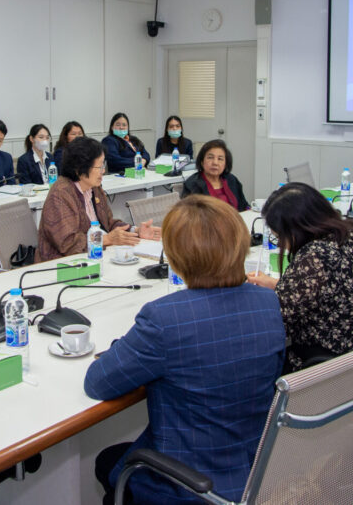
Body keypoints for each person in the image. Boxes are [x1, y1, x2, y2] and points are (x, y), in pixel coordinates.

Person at [86, 195, 285, 505]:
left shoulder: (165, 318)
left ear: (176, 258)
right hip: (256, 470)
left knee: (108, 462)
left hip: (190, 485)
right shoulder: (268, 301)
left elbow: (98, 383)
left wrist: (126, 347)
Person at [248, 183, 353, 372]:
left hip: (329, 369)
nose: (282, 245)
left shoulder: (315, 256)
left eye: (281, 237)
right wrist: (278, 285)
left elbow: (277, 320)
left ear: (297, 229)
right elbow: (334, 291)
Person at [37, 137, 160, 261]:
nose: (103, 171)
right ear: (80, 169)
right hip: (61, 264)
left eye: (103, 165)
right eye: (99, 167)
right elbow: (68, 244)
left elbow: (108, 223)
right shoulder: (60, 194)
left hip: (94, 257)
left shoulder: (94, 188)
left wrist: (136, 231)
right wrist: (107, 239)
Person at [179, 139, 249, 211]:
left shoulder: (231, 179)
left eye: (220, 159)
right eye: (210, 157)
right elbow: (188, 214)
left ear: (225, 164)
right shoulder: (192, 184)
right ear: (202, 161)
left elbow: (244, 206)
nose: (215, 163)